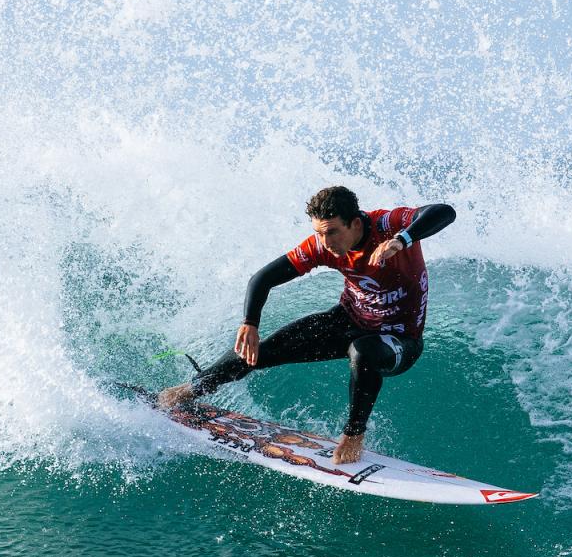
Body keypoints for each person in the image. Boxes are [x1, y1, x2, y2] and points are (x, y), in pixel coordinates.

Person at [158, 185, 456, 464]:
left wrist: (402, 239)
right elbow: (262, 279)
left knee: (363, 351)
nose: (326, 242)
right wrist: (250, 323)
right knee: (259, 352)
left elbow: (444, 212)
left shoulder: (387, 225)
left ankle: (354, 435)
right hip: (348, 320)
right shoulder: (322, 247)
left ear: (355, 223)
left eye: (332, 232)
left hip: (399, 340)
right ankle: (190, 389)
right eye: (319, 233)